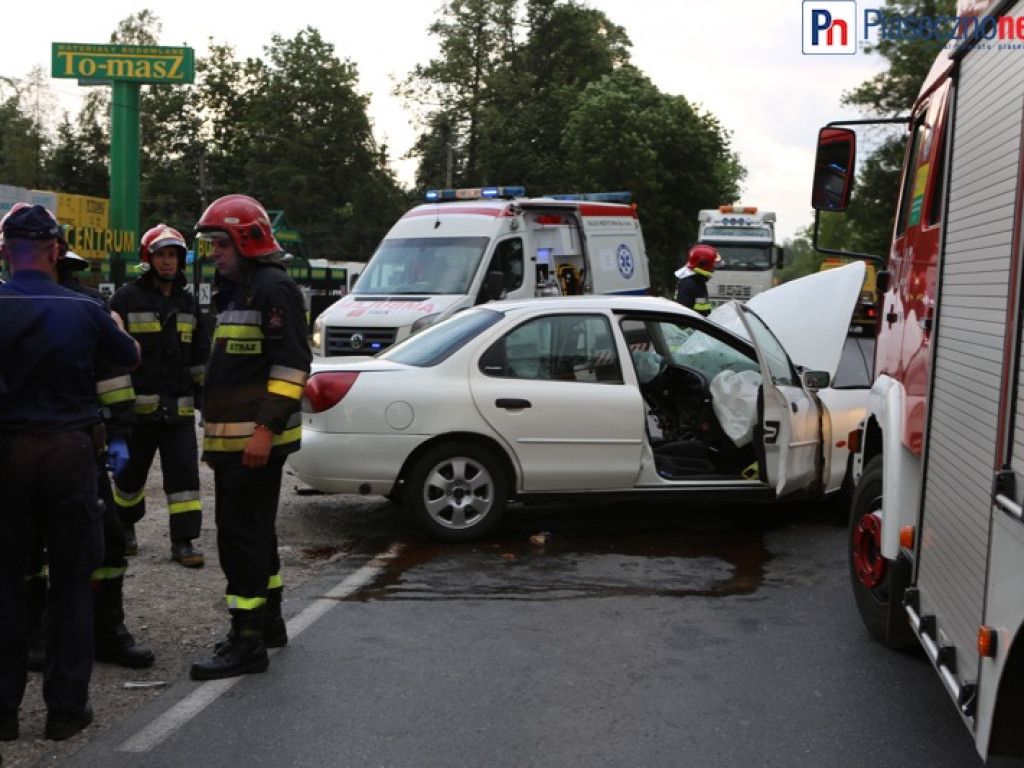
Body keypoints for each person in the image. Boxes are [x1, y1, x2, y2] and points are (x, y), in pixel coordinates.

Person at [0, 205, 140, 742]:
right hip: (69, 455)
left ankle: (3, 713)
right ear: (57, 251)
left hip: (7, 455)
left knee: (6, 584)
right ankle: (65, 711)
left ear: (5, 252)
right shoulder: (85, 308)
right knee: (71, 585)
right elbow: (128, 358)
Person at [188, 195, 311, 681]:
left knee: (240, 538)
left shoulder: (272, 289)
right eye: (212, 244)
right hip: (237, 445)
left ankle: (247, 643)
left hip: (253, 444)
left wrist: (264, 430)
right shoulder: (240, 291)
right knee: (256, 534)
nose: (214, 253)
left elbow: (291, 368)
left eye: (221, 243)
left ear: (246, 241)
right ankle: (269, 623)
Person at [109, 225, 210, 568]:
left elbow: (198, 357)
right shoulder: (125, 299)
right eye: (161, 255)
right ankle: (124, 529)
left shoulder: (188, 303)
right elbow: (113, 356)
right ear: (147, 259)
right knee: (128, 480)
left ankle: (184, 541)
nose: (167, 262)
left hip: (177, 412)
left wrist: (205, 403)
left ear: (181, 261)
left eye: (173, 255)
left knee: (184, 482)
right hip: (137, 413)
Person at [674, 244, 722, 316]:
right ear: (704, 265)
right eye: (712, 266)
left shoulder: (697, 281)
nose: (713, 270)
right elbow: (684, 315)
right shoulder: (689, 284)